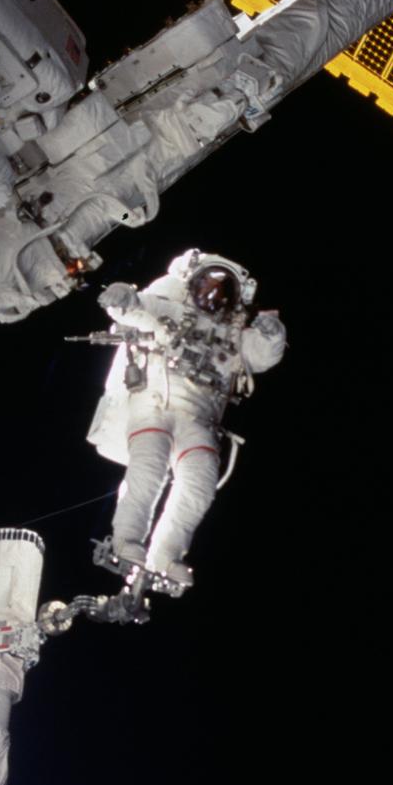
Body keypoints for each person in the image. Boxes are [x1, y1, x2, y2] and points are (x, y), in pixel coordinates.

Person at [87, 250, 286, 591]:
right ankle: (127, 539)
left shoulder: (235, 336)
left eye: (224, 290)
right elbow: (138, 309)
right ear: (193, 283)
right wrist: (121, 297)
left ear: (235, 299)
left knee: (200, 483)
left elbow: (265, 354)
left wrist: (272, 333)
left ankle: (166, 555)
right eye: (208, 283)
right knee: (149, 469)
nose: (214, 293)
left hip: (199, 420)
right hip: (157, 404)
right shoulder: (173, 309)